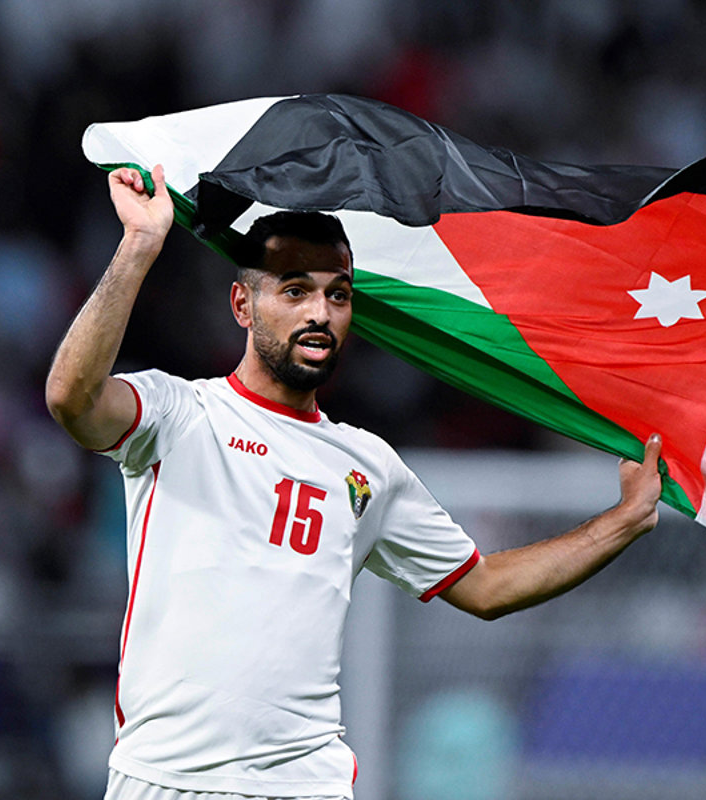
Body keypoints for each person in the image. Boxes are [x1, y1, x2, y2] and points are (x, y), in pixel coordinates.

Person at [45, 164, 664, 800]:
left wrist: (624, 520)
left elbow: (486, 587)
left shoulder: (368, 466)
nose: (320, 312)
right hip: (164, 780)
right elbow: (72, 399)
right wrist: (139, 244)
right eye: (295, 291)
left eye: (337, 295)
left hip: (307, 785)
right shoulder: (180, 414)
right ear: (242, 305)